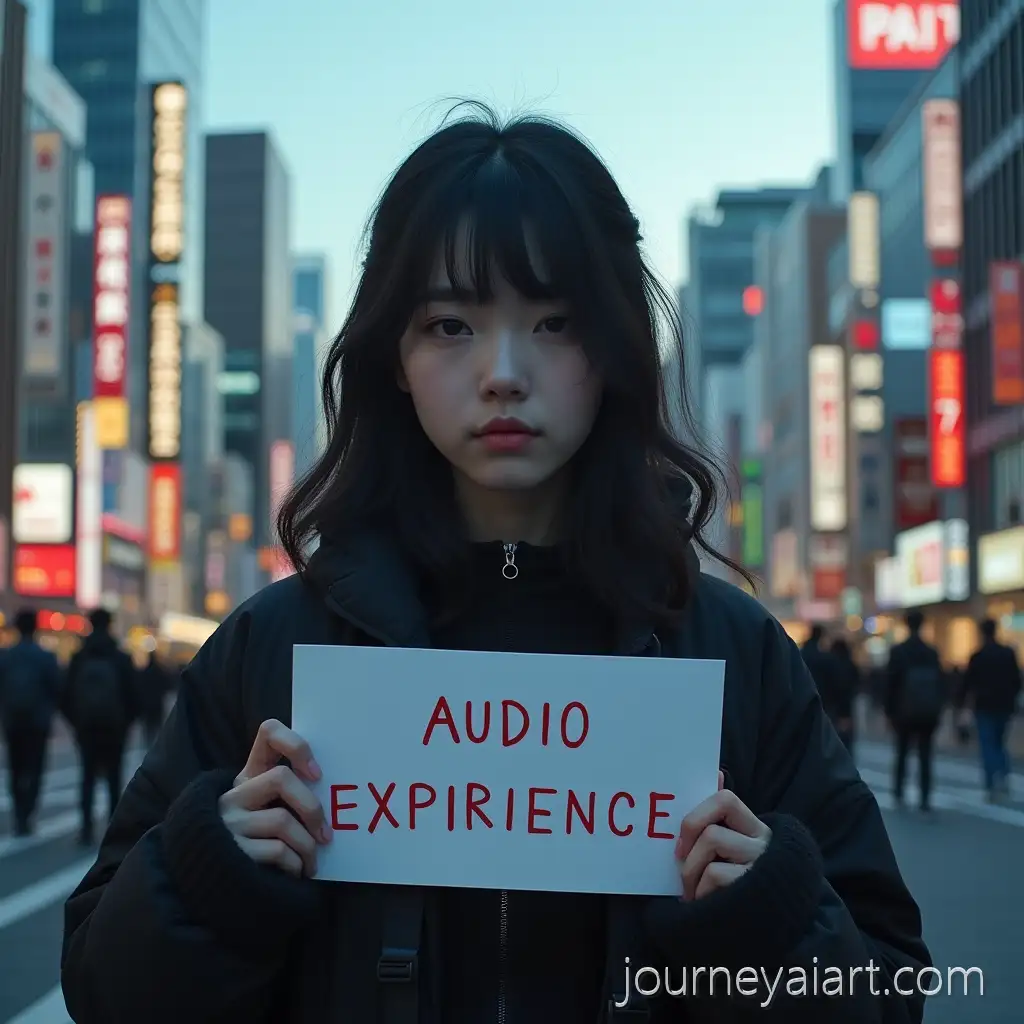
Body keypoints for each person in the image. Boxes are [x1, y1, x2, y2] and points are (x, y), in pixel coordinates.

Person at [61, 105, 930, 1023]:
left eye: (555, 322)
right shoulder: (273, 644)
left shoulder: (731, 651)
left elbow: (890, 992)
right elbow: (104, 990)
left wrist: (766, 912)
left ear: (615, 348)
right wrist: (212, 870)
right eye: (449, 325)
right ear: (391, 356)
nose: (504, 372)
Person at [62, 608, 137, 845]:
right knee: (114, 779)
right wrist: (125, 723)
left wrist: (77, 723)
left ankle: (85, 829)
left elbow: (65, 696)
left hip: (87, 727)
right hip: (115, 728)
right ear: (110, 625)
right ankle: (113, 830)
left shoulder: (79, 658)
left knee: (87, 777)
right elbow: (134, 697)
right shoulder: (121, 658)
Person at [0, 609, 62, 836]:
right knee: (35, 768)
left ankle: (18, 814)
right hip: (38, 721)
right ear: (36, 627)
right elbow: (57, 689)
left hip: (12, 720)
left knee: (15, 768)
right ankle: (29, 811)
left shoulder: (6, 656)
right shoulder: (46, 657)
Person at [885, 610, 945, 813]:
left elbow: (890, 684)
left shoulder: (899, 651)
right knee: (925, 754)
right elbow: (941, 683)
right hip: (927, 711)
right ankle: (925, 797)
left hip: (904, 710)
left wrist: (889, 711)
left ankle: (899, 793)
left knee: (902, 752)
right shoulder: (931, 651)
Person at [963, 618, 1021, 801]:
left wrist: (962, 705)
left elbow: (967, 683)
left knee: (987, 743)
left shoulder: (978, 656)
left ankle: (990, 782)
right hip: (1004, 705)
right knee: (1000, 741)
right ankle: (1003, 776)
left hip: (984, 705)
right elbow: (1017, 681)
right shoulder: (1007, 654)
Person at [136, 643, 173, 749]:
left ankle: (147, 744)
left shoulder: (144, 672)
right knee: (156, 726)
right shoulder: (160, 671)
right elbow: (167, 685)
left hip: (146, 704)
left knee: (147, 727)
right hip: (157, 704)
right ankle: (154, 745)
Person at [828, 638, 861, 755]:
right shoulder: (851, 666)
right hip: (846, 708)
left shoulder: (830, 666)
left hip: (831, 707)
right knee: (846, 741)